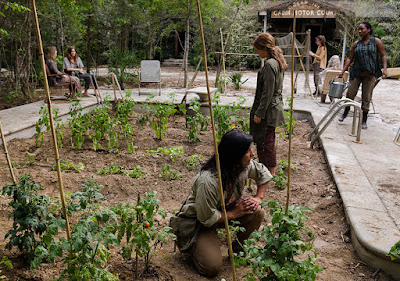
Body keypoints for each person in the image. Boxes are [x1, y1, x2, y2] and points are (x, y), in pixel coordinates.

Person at [170, 130, 272, 277]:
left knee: (257, 211)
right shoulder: (208, 180)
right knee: (211, 268)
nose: (253, 154)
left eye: (251, 149)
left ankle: (237, 250)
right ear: (235, 155)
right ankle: (196, 248)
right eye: (248, 151)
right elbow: (206, 218)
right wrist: (234, 214)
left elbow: (263, 173)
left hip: (224, 213)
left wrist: (258, 198)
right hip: (200, 223)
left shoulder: (241, 166)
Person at [250, 32, 287, 176]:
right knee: (267, 140)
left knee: (266, 142)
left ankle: (268, 171)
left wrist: (259, 113)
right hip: (272, 107)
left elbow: (268, 92)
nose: (257, 53)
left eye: (258, 49)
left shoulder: (270, 64)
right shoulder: (275, 61)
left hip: (268, 110)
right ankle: (266, 170)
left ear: (264, 47)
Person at [338, 21, 387, 129]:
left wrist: (385, 69)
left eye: (362, 29)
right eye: (358, 29)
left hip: (370, 74)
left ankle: (364, 120)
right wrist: (342, 71)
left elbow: (383, 55)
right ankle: (345, 112)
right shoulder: (356, 44)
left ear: (368, 30)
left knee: (366, 96)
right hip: (356, 73)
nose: (360, 31)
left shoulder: (376, 42)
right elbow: (350, 58)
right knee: (350, 93)